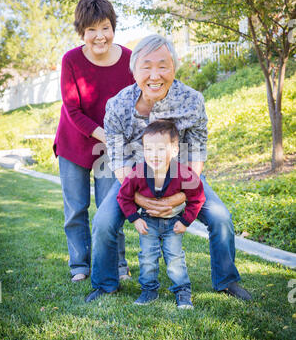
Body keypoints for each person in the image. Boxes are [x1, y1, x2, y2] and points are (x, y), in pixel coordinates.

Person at [85, 34, 252, 302]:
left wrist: (181, 195)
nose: (155, 75)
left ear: (174, 67)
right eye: (146, 66)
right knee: (104, 221)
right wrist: (140, 198)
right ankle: (105, 284)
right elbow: (117, 158)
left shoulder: (192, 100)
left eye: (162, 65)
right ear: (134, 70)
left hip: (184, 177)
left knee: (220, 217)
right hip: (133, 179)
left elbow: (197, 150)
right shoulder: (116, 105)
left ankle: (226, 280)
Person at [53, 0, 134, 282]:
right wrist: (108, 135)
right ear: (82, 32)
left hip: (109, 150)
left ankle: (118, 265)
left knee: (111, 207)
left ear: (113, 27)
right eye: (92, 30)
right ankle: (79, 266)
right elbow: (72, 109)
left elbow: (135, 104)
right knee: (76, 209)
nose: (100, 36)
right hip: (74, 144)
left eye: (105, 27)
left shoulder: (128, 59)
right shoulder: (71, 61)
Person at [117, 119, 206, 308]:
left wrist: (185, 221)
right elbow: (123, 197)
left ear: (174, 150)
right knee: (147, 258)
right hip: (148, 222)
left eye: (160, 149)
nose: (154, 155)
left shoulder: (183, 173)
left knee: (174, 258)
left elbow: (197, 197)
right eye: (149, 149)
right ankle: (149, 290)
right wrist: (135, 219)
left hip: (173, 222)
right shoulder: (138, 173)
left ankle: (182, 291)